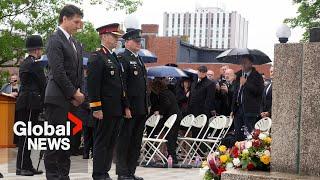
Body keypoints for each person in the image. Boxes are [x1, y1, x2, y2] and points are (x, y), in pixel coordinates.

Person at [44, 5, 84, 180]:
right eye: (76, 21)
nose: (78, 25)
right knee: (55, 141)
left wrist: (78, 92)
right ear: (65, 19)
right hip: (57, 98)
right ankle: (53, 176)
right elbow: (58, 72)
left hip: (70, 99)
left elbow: (78, 72)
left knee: (66, 142)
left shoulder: (75, 43)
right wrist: (74, 93)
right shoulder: (55, 40)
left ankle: (64, 176)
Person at [87, 23, 125, 180]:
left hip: (115, 108)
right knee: (102, 142)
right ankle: (98, 173)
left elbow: (119, 84)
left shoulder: (113, 57)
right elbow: (93, 85)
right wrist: (96, 107)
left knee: (110, 142)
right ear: (103, 36)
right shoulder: (97, 57)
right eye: (114, 36)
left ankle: (105, 172)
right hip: (103, 109)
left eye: (117, 37)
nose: (117, 40)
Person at [116, 29, 148, 180]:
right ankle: (122, 172)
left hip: (140, 107)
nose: (138, 43)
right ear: (127, 41)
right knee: (125, 141)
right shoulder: (123, 57)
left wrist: (147, 104)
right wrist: (125, 106)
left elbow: (143, 85)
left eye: (139, 40)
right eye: (135, 40)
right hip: (130, 108)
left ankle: (130, 171)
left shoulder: (139, 58)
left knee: (136, 142)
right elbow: (123, 85)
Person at [15, 35, 46, 176]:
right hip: (29, 103)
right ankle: (22, 167)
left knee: (30, 136)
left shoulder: (27, 62)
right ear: (37, 50)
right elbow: (42, 84)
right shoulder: (33, 64)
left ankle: (27, 165)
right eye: (41, 49)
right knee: (26, 136)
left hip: (29, 102)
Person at [231, 55, 264, 141]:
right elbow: (236, 93)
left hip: (250, 110)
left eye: (245, 62)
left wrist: (246, 84)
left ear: (251, 63)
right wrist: (233, 109)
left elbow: (259, 91)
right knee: (238, 133)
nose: (243, 65)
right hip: (238, 109)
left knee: (250, 134)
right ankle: (237, 152)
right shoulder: (239, 75)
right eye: (242, 62)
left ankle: (248, 152)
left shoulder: (257, 76)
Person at [150, 79, 182, 164]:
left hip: (173, 118)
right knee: (171, 138)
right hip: (175, 117)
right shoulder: (168, 92)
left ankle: (172, 158)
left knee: (170, 138)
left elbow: (166, 105)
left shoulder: (162, 94)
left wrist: (159, 112)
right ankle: (171, 157)